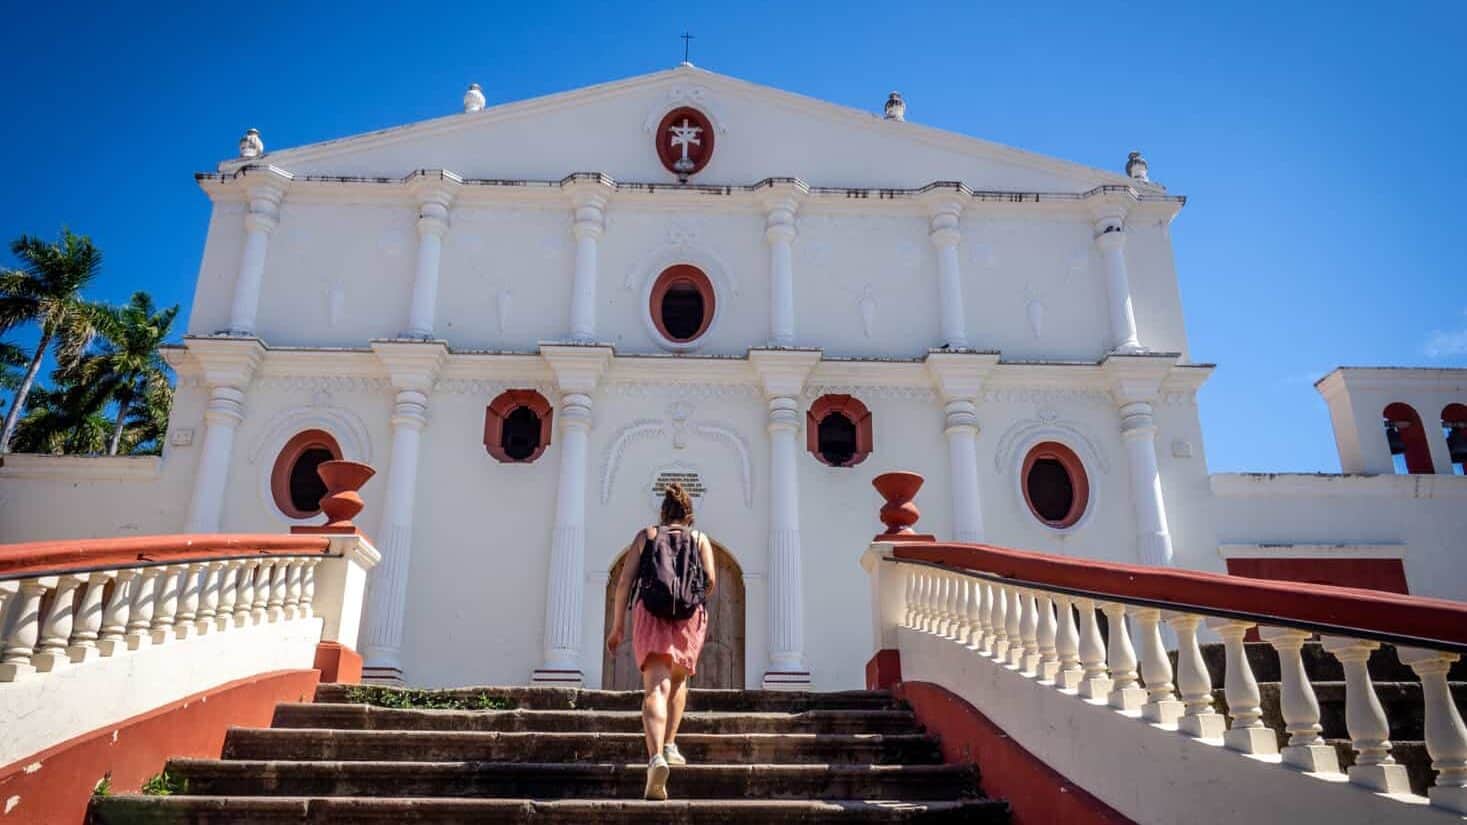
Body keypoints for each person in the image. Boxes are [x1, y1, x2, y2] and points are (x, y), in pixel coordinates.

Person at [605, 482, 716, 801]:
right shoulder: (699, 539)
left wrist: (617, 627)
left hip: (649, 613)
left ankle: (655, 758)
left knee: (655, 687)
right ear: (689, 515)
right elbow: (709, 582)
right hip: (688, 618)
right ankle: (669, 745)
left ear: (663, 513)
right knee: (678, 681)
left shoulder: (646, 536)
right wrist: (688, 602)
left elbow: (624, 582)